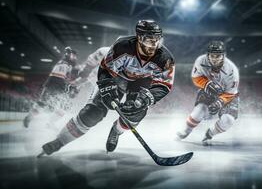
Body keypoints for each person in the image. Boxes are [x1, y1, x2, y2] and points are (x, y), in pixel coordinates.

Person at [40, 19, 175, 155]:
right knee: (92, 112)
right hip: (117, 76)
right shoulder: (122, 46)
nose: (153, 45)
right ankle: (60, 141)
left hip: (142, 82)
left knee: (136, 113)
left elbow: (164, 85)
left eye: (157, 39)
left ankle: (116, 131)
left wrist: (145, 99)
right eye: (148, 39)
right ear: (139, 37)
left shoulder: (166, 58)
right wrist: (107, 87)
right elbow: (105, 69)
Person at [176, 41, 239, 142]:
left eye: (218, 56)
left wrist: (220, 101)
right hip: (208, 90)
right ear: (207, 55)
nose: (214, 59)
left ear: (224, 56)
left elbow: (231, 92)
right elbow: (195, 77)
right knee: (199, 111)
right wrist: (206, 84)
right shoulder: (200, 61)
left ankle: (211, 133)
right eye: (212, 55)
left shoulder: (232, 70)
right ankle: (186, 131)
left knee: (228, 120)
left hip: (228, 95)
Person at [23, 47, 78, 128]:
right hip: (54, 87)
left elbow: (62, 78)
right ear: (69, 55)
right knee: (63, 106)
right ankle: (48, 122)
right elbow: (60, 79)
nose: (75, 58)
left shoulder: (64, 63)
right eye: (74, 55)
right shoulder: (65, 64)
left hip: (52, 86)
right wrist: (68, 88)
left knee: (43, 104)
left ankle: (31, 118)